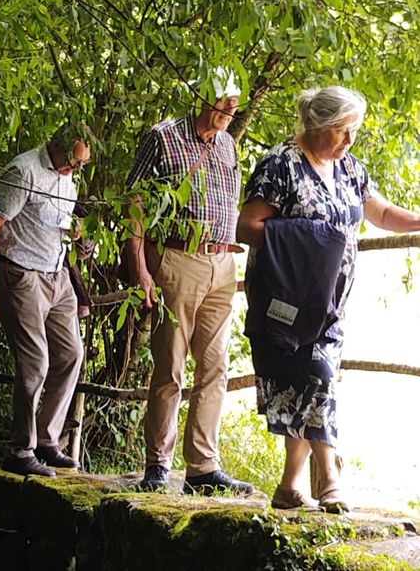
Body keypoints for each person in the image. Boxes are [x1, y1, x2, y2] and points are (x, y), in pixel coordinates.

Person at [237, 86, 420, 512]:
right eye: (342, 131)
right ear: (317, 126)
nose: (350, 141)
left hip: (330, 304)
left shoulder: (349, 168)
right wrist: (310, 239)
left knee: (310, 378)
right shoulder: (280, 165)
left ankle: (289, 485)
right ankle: (331, 478)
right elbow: (247, 226)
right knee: (315, 373)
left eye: (353, 131)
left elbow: (382, 214)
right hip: (285, 298)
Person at [125, 68, 254, 495]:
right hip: (178, 257)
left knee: (214, 367)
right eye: (223, 101)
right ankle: (157, 464)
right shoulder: (163, 137)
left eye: (234, 104)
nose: (229, 111)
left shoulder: (229, 145)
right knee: (170, 367)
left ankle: (202, 466)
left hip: (222, 264)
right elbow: (135, 203)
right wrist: (141, 267)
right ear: (202, 96)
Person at [0, 122, 90, 478]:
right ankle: (20, 449)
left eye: (82, 164)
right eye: (73, 161)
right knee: (35, 362)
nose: (76, 169)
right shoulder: (23, 170)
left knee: (71, 354)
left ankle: (46, 439)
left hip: (57, 274)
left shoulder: (69, 180)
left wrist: (79, 240)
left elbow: (60, 225)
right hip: (21, 273)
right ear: (56, 146)